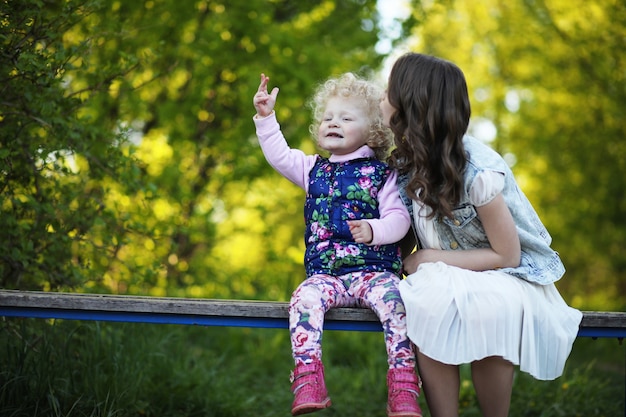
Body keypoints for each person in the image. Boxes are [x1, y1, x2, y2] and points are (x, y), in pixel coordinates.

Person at [380, 52, 583, 417]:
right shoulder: (403, 165)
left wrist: (428, 257)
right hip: (443, 279)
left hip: (506, 274)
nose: (381, 98)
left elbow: (508, 255)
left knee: (492, 306)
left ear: (410, 104)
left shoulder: (476, 171)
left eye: (387, 92)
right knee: (426, 301)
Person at [253, 72, 423, 417]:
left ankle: (404, 385)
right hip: (326, 275)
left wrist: (375, 230)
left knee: (398, 302)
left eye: (346, 118)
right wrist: (266, 118)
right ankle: (308, 378)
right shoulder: (312, 169)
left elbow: (399, 219)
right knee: (303, 298)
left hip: (374, 273)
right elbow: (280, 155)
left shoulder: (382, 174)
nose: (334, 122)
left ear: (373, 130)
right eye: (329, 117)